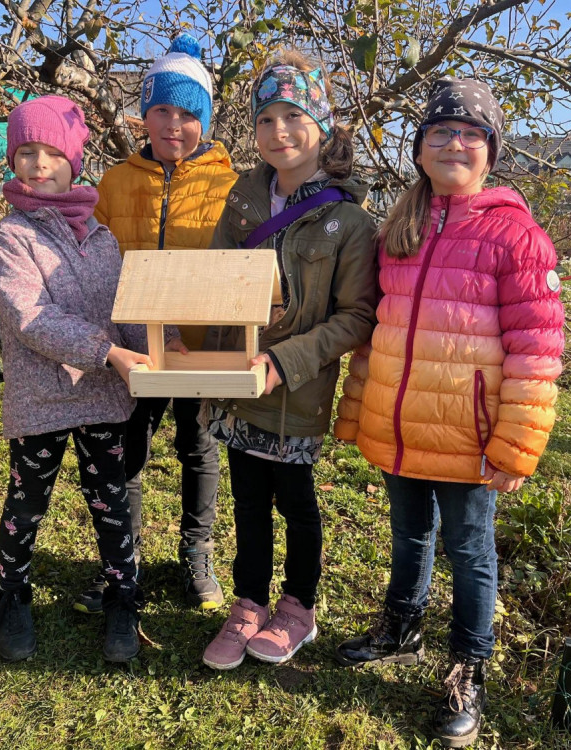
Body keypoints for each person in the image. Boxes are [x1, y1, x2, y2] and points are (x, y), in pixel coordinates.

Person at [332, 78, 565, 747]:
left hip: (470, 436)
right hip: (399, 425)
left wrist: (517, 442)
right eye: (440, 131)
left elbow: (537, 350)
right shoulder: (397, 230)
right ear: (420, 148)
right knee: (409, 535)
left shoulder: (516, 238)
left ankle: (468, 668)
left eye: (470, 134)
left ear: (490, 150)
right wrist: (359, 407)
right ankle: (401, 626)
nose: (454, 144)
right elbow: (378, 331)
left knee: (470, 551)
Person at [0, 95, 179, 663]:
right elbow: (30, 317)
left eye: (51, 152)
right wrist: (108, 352)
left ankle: (123, 598)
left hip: (100, 398)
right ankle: (11, 595)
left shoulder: (101, 237)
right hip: (40, 399)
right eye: (26, 152)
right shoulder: (11, 237)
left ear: (74, 161)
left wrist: (163, 343)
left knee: (111, 503)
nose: (39, 164)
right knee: (26, 503)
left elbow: (124, 308)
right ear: (12, 161)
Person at [200, 51, 377, 670]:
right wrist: (197, 349)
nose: (279, 131)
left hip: (296, 390)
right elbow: (215, 283)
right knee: (247, 500)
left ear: (321, 124)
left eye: (294, 115)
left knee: (296, 503)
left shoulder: (347, 220)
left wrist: (284, 360)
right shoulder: (242, 201)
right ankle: (248, 603)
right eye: (265, 119)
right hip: (238, 384)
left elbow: (356, 316)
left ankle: (298, 607)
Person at [76, 33, 238, 614]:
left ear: (205, 120)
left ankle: (197, 552)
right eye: (162, 110)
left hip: (200, 346)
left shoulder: (228, 185)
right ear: (144, 114)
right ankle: (126, 558)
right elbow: (94, 258)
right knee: (129, 449)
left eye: (188, 114)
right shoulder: (116, 182)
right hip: (134, 345)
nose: (174, 124)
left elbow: (239, 267)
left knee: (198, 447)